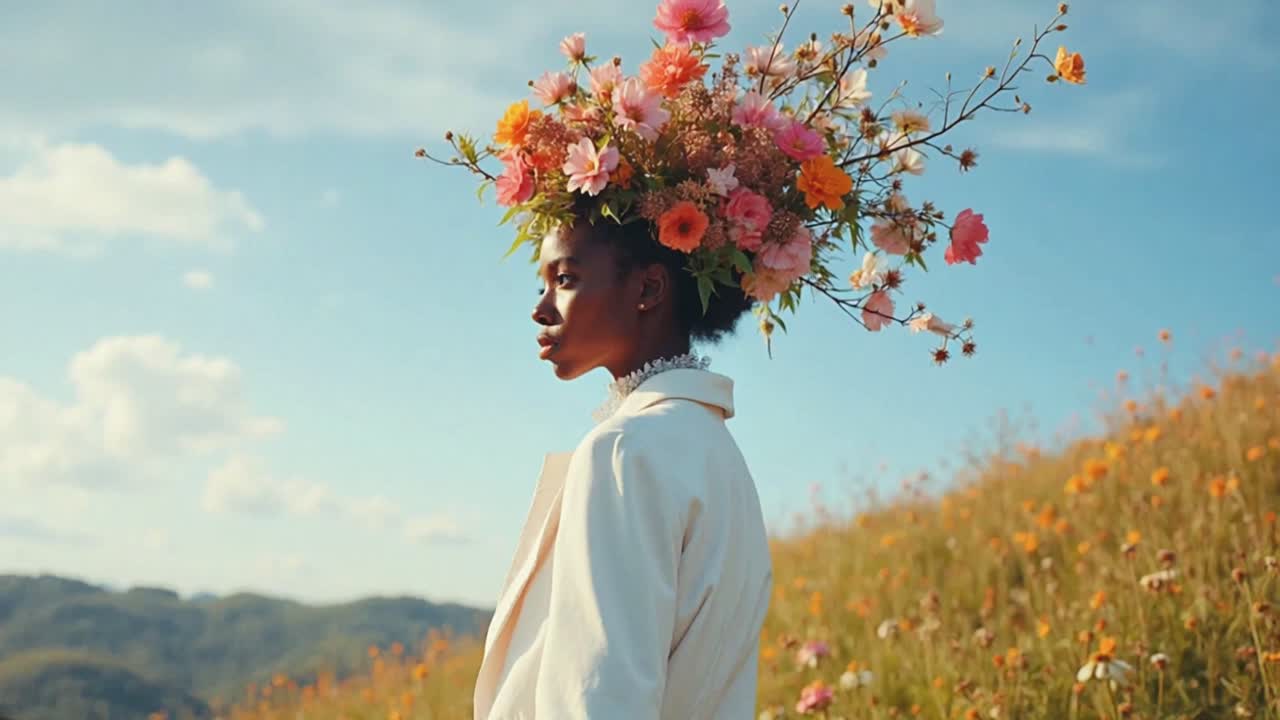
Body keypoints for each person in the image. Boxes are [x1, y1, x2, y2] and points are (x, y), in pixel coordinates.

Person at [470, 205, 774, 719]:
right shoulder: (717, 449)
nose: (541, 309)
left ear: (649, 289)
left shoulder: (624, 449)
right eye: (543, 285)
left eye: (564, 279)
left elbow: (600, 694)